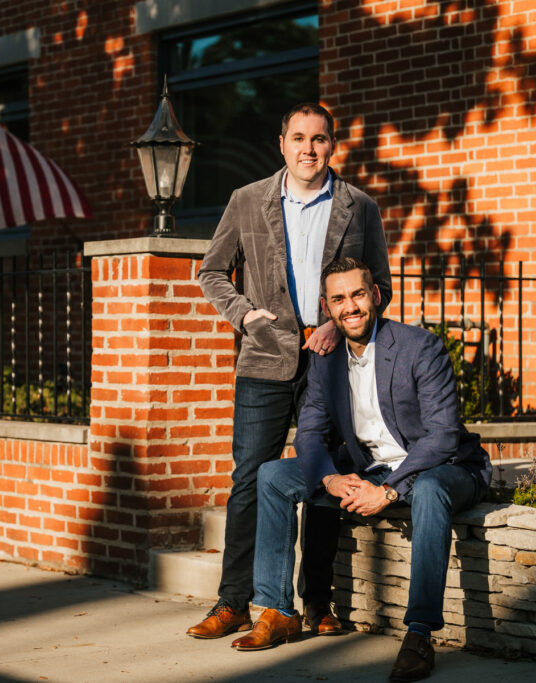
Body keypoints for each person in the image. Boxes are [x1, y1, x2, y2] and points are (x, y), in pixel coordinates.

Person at [231, 257, 491, 683]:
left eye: (356, 294)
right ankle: (277, 610)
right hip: (370, 469)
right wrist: (330, 479)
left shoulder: (419, 347)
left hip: (444, 468)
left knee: (426, 490)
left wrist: (387, 490)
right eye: (338, 299)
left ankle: (420, 633)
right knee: (272, 476)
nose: (349, 306)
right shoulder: (326, 359)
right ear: (327, 307)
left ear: (374, 295)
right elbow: (310, 433)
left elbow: (443, 437)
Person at [189, 103, 392, 640]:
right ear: (282, 143)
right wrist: (244, 314)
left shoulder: (360, 206)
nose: (309, 148)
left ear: (332, 145)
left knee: (323, 477)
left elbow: (381, 287)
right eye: (298, 138)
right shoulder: (247, 200)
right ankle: (233, 602)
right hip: (262, 360)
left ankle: (316, 603)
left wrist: (339, 326)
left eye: (319, 139)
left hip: (329, 363)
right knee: (249, 479)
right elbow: (211, 271)